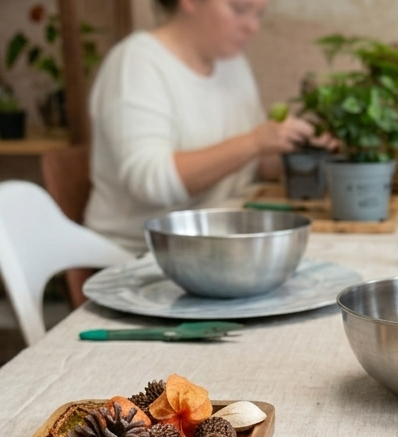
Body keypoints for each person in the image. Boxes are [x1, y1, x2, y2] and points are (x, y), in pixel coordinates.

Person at [84, 0, 319, 252]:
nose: (252, 26)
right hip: (141, 254)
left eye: (259, 14)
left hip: (217, 243)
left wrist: (295, 147)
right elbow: (150, 183)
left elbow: (253, 164)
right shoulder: (137, 63)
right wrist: (254, 142)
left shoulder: (231, 63)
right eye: (239, 9)